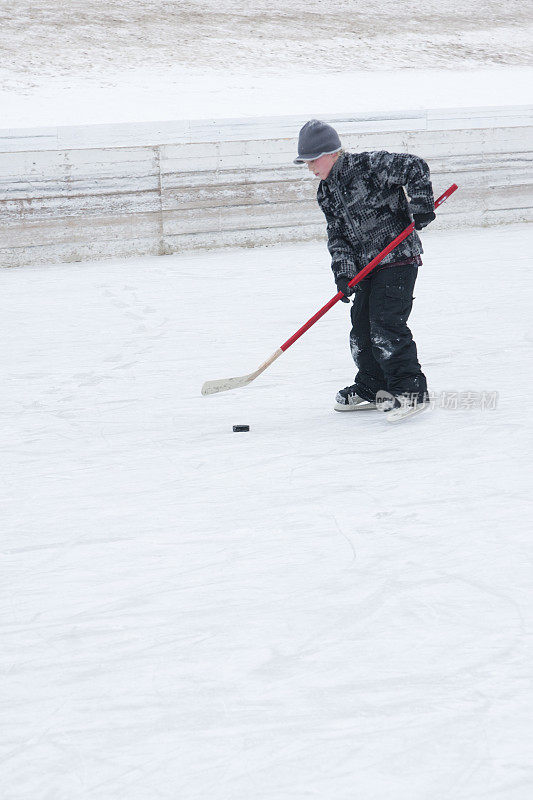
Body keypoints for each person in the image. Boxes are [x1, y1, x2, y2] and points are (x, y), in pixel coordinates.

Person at [294, 119, 436, 421]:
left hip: (398, 257)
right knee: (361, 329)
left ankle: (411, 392)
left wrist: (422, 204)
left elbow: (415, 167)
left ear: (332, 152)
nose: (309, 167)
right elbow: (338, 235)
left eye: (312, 160)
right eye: (305, 162)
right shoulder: (326, 192)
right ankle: (373, 387)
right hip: (367, 268)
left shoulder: (369, 165)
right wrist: (343, 273)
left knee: (385, 326)